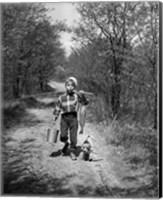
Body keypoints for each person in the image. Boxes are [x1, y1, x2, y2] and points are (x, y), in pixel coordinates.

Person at [53, 77, 89, 160]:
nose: (70, 87)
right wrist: (55, 116)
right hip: (64, 118)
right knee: (63, 136)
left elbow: (85, 103)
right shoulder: (61, 97)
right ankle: (66, 143)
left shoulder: (76, 96)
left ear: (74, 87)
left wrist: (83, 95)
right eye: (68, 85)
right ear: (65, 86)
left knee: (73, 136)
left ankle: (72, 151)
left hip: (73, 118)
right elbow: (58, 107)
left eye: (72, 86)